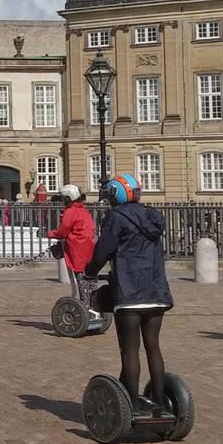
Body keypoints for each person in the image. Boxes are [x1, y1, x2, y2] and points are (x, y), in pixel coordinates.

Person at [84, 174, 174, 414]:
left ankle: (132, 404)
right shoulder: (153, 217)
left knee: (130, 349)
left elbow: (104, 250)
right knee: (153, 347)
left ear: (115, 196)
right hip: (156, 291)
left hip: (129, 291)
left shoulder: (116, 218)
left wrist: (90, 271)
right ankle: (160, 401)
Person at [46, 185, 97, 309]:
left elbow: (63, 232)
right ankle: (93, 305)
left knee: (81, 279)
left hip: (77, 249)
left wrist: (51, 234)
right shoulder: (83, 210)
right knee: (90, 280)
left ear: (68, 198)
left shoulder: (71, 211)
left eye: (64, 199)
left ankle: (85, 308)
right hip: (90, 248)